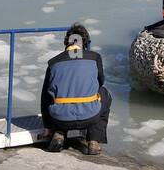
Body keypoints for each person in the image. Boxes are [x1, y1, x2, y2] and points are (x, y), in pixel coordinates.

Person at [39, 24, 111, 156]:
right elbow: (101, 82)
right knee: (104, 93)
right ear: (85, 43)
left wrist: (47, 127)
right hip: (90, 117)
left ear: (67, 42)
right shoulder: (94, 57)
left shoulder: (53, 62)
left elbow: (45, 98)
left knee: (53, 96)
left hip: (60, 118)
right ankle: (94, 141)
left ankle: (58, 133)